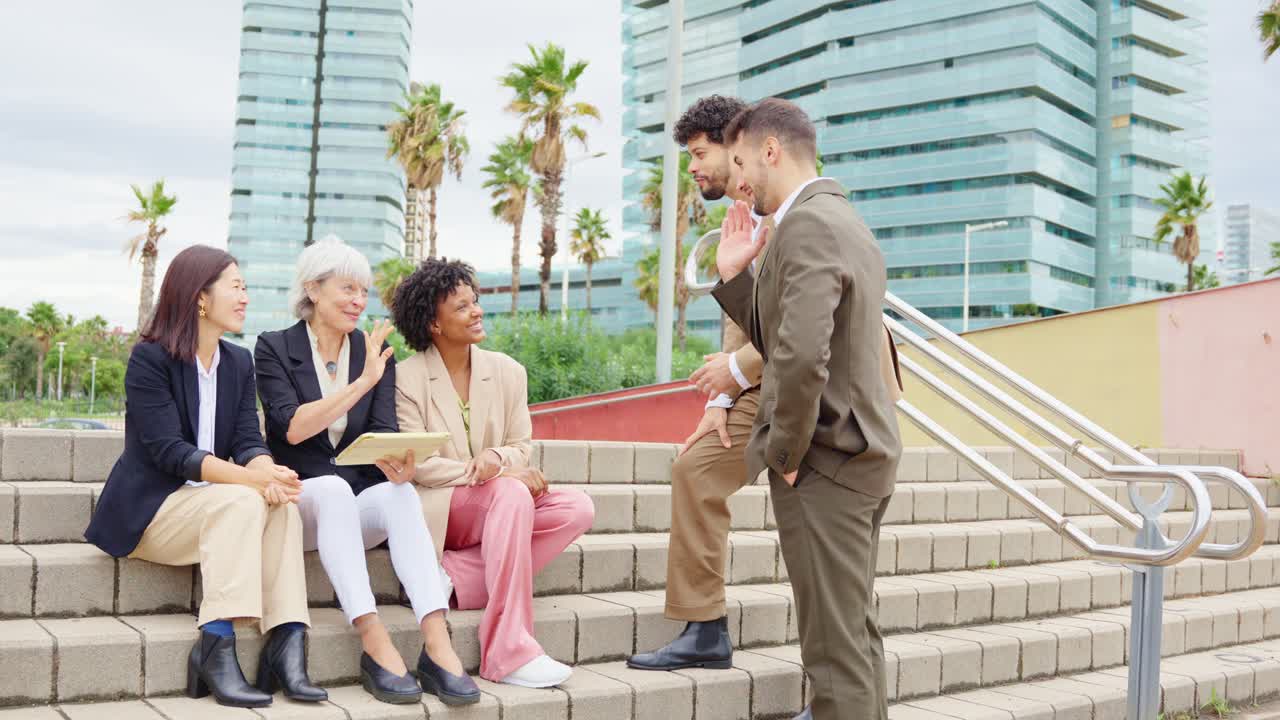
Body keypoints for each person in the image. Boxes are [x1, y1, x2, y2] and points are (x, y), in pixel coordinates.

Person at [628, 96, 903, 678]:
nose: (696, 168)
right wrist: (724, 397)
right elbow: (765, 318)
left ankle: (831, 693)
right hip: (770, 378)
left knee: (834, 587)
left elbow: (808, 334)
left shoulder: (795, 212)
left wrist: (781, 441)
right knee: (696, 470)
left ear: (743, 150)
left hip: (824, 395)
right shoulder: (747, 217)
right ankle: (705, 628)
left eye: (702, 153)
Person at [712, 98, 903, 720]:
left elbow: (799, 356)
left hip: (827, 462)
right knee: (852, 637)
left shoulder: (809, 225)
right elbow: (792, 334)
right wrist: (737, 277)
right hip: (855, 456)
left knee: (832, 652)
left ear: (772, 150)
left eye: (741, 161)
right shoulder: (839, 217)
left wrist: (787, 453)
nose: (737, 180)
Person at [84, 245, 322, 709]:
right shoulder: (150, 359)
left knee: (279, 504)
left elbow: (248, 440)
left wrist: (266, 472)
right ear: (199, 297)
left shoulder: (238, 362)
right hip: (153, 513)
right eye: (236, 286)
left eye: (245, 288)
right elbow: (171, 452)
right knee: (241, 499)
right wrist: (248, 482)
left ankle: (285, 642)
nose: (245, 297)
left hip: (213, 509)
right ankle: (214, 644)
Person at [254, 237, 477, 706]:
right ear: (313, 289)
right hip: (302, 504)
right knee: (332, 489)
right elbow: (291, 429)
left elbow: (380, 430)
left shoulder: (373, 350)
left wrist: (396, 464)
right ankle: (373, 640)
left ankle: (437, 645)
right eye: (348, 288)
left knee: (400, 496)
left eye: (364, 291)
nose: (360, 301)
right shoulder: (273, 348)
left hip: (354, 502)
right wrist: (362, 382)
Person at [392, 258, 595, 688]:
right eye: (462, 306)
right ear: (433, 323)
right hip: (443, 505)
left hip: (500, 501)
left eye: (475, 301)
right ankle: (507, 651)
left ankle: (458, 577)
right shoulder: (406, 380)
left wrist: (499, 462)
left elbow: (521, 446)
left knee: (576, 507)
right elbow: (419, 464)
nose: (476, 310)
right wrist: (487, 476)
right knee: (510, 495)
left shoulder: (507, 372)